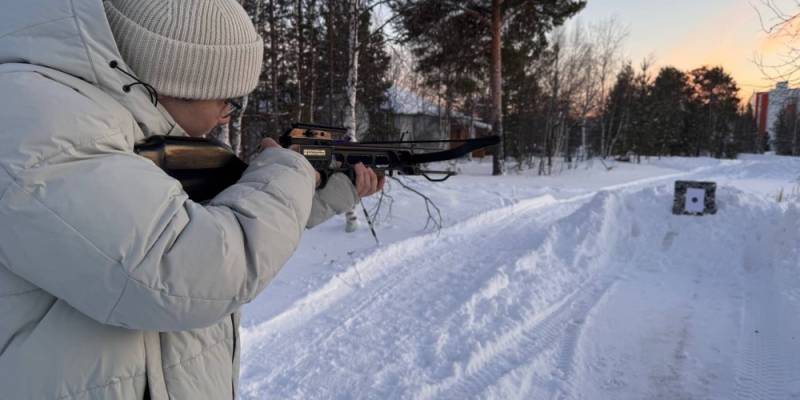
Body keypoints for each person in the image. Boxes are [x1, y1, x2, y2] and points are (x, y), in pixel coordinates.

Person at [0, 0, 382, 399]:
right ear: (178, 83)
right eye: (227, 101)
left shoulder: (110, 125)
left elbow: (200, 219)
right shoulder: (34, 118)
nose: (227, 117)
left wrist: (326, 194)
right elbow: (191, 270)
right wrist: (288, 172)